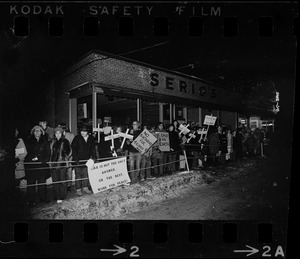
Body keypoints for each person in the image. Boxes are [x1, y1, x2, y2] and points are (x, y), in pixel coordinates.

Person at [24, 125, 51, 205]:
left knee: (42, 183)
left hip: (41, 165)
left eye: (39, 130)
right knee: (31, 183)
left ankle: (42, 199)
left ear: (42, 132)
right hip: (31, 165)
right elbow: (26, 152)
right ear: (33, 132)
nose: (37, 132)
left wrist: (44, 160)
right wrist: (31, 159)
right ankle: (31, 200)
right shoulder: (29, 141)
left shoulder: (45, 141)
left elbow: (48, 153)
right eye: (35, 130)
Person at [71, 124, 96, 196]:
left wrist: (94, 157)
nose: (83, 132)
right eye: (81, 131)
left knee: (86, 174)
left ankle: (85, 188)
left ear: (88, 132)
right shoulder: (77, 138)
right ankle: (78, 189)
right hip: (78, 160)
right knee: (78, 175)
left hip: (87, 160)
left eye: (84, 131)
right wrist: (75, 158)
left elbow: (92, 148)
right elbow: (73, 148)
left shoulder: (91, 138)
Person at [50, 127, 72, 204]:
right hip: (54, 164)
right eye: (56, 133)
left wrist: (64, 157)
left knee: (62, 180)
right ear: (54, 134)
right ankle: (56, 195)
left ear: (62, 133)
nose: (58, 135)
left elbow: (69, 151)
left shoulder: (65, 141)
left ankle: (62, 196)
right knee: (55, 180)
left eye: (59, 133)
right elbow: (50, 152)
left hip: (62, 164)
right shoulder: (52, 141)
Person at [58, 123, 75, 192]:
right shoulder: (58, 135)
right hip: (60, 157)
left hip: (68, 156)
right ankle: (63, 185)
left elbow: (72, 146)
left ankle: (68, 185)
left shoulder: (70, 135)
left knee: (68, 171)